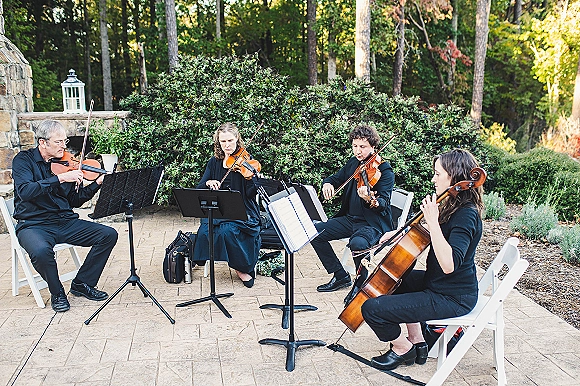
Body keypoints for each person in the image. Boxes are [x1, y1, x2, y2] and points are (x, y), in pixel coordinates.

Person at [360, 148, 483, 371]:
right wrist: (397, 234)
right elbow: (428, 236)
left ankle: (402, 349)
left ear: (454, 176)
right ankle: (418, 341)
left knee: (371, 309)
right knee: (393, 281)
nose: (433, 179)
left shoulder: (466, 215)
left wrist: (433, 222)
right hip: (438, 283)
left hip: (453, 296)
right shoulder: (452, 205)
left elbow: (449, 264)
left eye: (438, 174)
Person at [12, 120, 118, 313]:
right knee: (42, 251)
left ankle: (82, 283)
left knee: (108, 235)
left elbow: (74, 201)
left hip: (64, 221)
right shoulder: (23, 160)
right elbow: (25, 191)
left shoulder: (65, 164)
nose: (64, 146)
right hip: (33, 224)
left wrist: (97, 184)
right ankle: (57, 292)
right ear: (43, 143)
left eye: (65, 141)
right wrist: (60, 178)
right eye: (58, 142)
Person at [312, 124, 395, 299]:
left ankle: (361, 284)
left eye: (363, 147)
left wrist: (369, 199)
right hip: (350, 219)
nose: (358, 151)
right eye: (355, 146)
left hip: (371, 224)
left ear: (373, 147)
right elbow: (335, 178)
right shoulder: (354, 163)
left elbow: (383, 203)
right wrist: (327, 183)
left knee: (358, 244)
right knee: (315, 234)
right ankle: (340, 275)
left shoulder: (384, 171)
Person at [192, 123, 261, 288]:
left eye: (230, 140)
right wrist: (209, 182)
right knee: (204, 229)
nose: (227, 145)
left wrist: (252, 179)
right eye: (223, 141)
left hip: (243, 210)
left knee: (227, 231)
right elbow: (200, 187)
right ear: (218, 142)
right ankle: (203, 257)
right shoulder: (214, 162)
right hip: (219, 210)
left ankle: (241, 268)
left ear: (237, 139)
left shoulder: (246, 162)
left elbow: (251, 195)